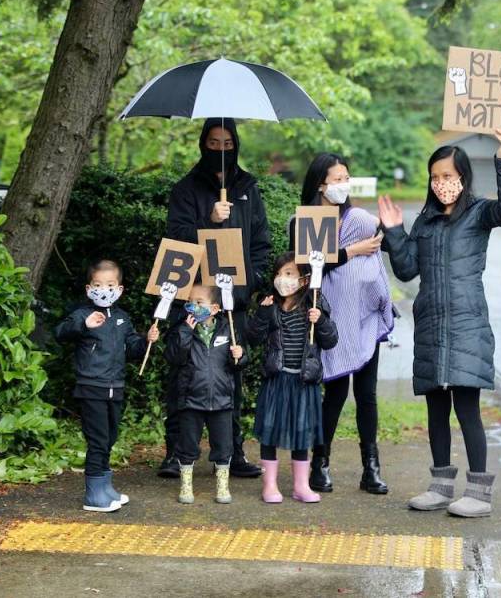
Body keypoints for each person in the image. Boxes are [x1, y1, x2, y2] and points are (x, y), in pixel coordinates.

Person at [378, 129, 501, 518]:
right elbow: (406, 271)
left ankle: (478, 491)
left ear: (463, 177)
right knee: (436, 410)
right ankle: (439, 486)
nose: (442, 183)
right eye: (435, 177)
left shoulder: (479, 212)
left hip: (467, 326)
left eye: (448, 176)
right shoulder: (423, 221)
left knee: (467, 408)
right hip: (431, 327)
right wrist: (393, 232)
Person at [162, 117, 272, 479]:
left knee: (232, 374)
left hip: (233, 301)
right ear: (202, 144)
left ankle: (232, 451)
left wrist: (251, 282)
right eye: (214, 143)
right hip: (195, 299)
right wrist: (208, 221)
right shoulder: (186, 188)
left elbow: (260, 242)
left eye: (228, 143)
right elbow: (176, 238)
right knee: (183, 375)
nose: (221, 150)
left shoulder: (248, 187)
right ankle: (176, 452)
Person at [290, 153, 393, 495]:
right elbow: (308, 265)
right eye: (336, 179)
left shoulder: (360, 219)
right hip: (328, 321)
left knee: (367, 394)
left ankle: (371, 468)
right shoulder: (306, 223)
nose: (343, 185)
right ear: (320, 184)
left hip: (364, 317)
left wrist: (378, 239)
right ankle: (320, 462)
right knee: (334, 391)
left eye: (346, 178)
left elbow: (378, 251)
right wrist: (351, 251)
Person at [54, 259, 159, 512]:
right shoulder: (82, 314)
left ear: (119, 289)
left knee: (110, 437)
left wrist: (147, 340)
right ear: (89, 288)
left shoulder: (122, 318)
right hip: (91, 387)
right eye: (98, 285)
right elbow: (61, 332)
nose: (104, 289)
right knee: (98, 440)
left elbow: (133, 348)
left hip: (116, 386)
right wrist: (83, 324)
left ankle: (105, 486)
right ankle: (93, 494)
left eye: (110, 284)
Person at [246, 253, 339, 503]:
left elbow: (331, 341)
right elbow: (253, 338)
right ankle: (270, 485)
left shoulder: (314, 305)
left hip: (303, 381)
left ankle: (301, 486)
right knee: (270, 432)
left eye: (288, 273)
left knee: (301, 433)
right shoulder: (270, 306)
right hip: (276, 379)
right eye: (278, 274)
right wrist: (262, 315)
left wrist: (320, 322)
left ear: (304, 279)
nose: (281, 279)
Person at [164, 284, 245, 505]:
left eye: (199, 303)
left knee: (223, 445)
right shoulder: (184, 329)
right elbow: (174, 358)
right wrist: (184, 333)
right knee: (188, 444)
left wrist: (240, 355)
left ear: (215, 308)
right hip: (191, 399)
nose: (193, 307)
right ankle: (186, 484)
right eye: (190, 302)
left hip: (221, 399)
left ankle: (222, 485)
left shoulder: (227, 329)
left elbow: (238, 364)